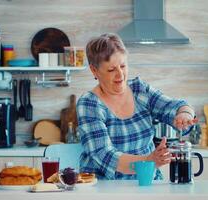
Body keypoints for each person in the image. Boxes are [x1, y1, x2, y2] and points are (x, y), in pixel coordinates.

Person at [76, 33, 197, 180]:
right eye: (111, 69)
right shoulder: (89, 104)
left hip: (146, 182)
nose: (120, 74)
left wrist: (184, 114)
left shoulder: (139, 90)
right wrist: (149, 161)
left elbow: (174, 106)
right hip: (106, 188)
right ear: (94, 70)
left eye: (123, 66)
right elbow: (105, 156)